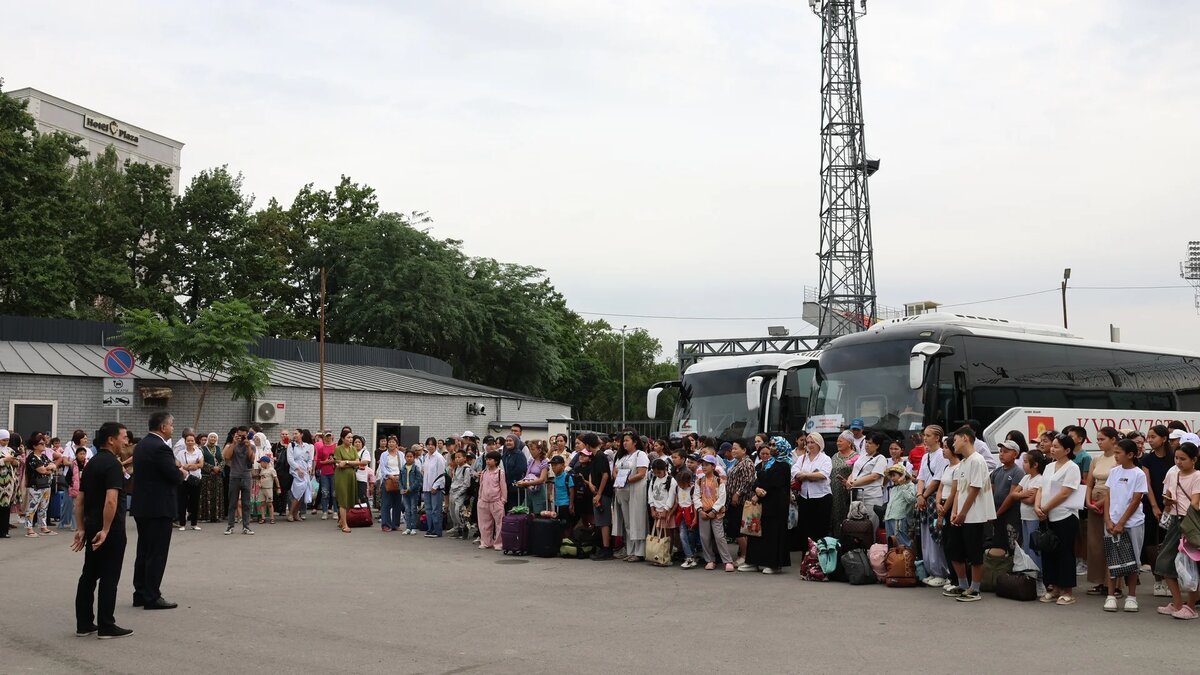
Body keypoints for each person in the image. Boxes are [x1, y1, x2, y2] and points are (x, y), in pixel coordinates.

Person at [73, 421, 134, 639]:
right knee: (109, 576)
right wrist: (107, 529)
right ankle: (107, 625)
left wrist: (81, 528)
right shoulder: (112, 465)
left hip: (91, 525)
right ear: (111, 439)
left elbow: (80, 500)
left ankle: (84, 623)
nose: (126, 441)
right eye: (124, 437)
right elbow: (111, 500)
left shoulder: (91, 464)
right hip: (110, 530)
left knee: (89, 574)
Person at [131, 412, 187, 610]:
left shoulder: (142, 445)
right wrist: (182, 473)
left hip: (143, 506)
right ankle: (152, 596)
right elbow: (172, 474)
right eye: (171, 425)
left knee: (144, 551)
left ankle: (140, 592)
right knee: (157, 553)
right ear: (163, 427)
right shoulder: (161, 447)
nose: (172, 428)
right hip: (159, 506)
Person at [942, 427, 996, 603]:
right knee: (953, 549)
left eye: (955, 439)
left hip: (974, 515)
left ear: (965, 438)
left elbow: (975, 489)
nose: (953, 443)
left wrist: (963, 513)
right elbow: (958, 491)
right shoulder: (963, 463)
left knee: (974, 553)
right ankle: (963, 584)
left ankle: (975, 589)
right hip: (960, 515)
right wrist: (955, 512)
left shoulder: (978, 460)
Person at [1035, 433, 1083, 606]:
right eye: (1052, 446)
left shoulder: (1072, 467)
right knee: (1049, 550)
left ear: (1067, 450)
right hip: (1047, 515)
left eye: (1056, 447)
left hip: (1065, 515)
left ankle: (1067, 590)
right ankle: (1053, 587)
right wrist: (1037, 506)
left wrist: (1046, 507)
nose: (1052, 449)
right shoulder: (1049, 466)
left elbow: (1065, 492)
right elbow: (1041, 488)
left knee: (1065, 552)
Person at [1155, 441, 1200, 619]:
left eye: (1183, 459)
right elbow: (1168, 497)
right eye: (1176, 458)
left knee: (1191, 566)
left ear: (1194, 459)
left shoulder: (1197, 476)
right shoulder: (1173, 474)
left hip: (1190, 523)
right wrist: (1167, 502)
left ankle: (1190, 607)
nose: (1179, 462)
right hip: (1175, 521)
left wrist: (1192, 505)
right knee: (1164, 563)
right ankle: (1178, 603)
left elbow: (1195, 501)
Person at [1103, 439, 1146, 612]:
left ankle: (1132, 596)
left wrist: (1122, 522)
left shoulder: (1138, 474)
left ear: (1130, 455)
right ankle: (1111, 595)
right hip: (1112, 522)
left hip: (1132, 522)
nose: (1116, 456)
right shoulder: (1113, 472)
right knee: (1113, 558)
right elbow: (1108, 496)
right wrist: (1108, 520)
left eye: (1119, 453)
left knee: (1133, 559)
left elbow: (1136, 500)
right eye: (1115, 453)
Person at [742, 436, 793, 574]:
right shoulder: (767, 463)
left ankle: (774, 564)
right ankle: (754, 561)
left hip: (776, 505)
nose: (771, 447)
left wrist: (759, 490)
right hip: (763, 503)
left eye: (774, 445)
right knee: (757, 532)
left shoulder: (784, 464)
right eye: (770, 444)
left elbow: (773, 482)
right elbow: (756, 479)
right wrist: (756, 488)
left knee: (773, 534)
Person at [1083, 426, 1122, 595]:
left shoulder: (1118, 459)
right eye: (1097, 439)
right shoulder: (1096, 459)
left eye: (1102, 439)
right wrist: (1088, 501)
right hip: (1093, 501)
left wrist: (1100, 503)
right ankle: (1099, 581)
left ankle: (1114, 584)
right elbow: (1089, 482)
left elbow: (1117, 486)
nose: (1098, 442)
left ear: (1113, 440)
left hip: (1111, 501)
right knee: (1095, 544)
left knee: (1112, 543)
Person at [916, 425, 950, 587]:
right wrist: (919, 495)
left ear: (937, 438)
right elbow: (921, 478)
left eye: (928, 435)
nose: (925, 438)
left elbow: (937, 480)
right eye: (924, 435)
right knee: (924, 534)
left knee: (935, 535)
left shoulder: (941, 456)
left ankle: (941, 571)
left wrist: (924, 495)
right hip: (924, 498)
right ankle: (930, 569)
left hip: (933, 498)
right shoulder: (925, 456)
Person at [1012, 450, 1048, 596]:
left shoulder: (1039, 479)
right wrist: (1023, 494)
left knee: (1035, 549)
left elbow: (1030, 500)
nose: (1023, 464)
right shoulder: (1026, 478)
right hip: (1024, 517)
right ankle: (1030, 578)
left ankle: (1040, 579)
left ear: (1036, 464)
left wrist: (1021, 495)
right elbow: (1013, 493)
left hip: (1033, 517)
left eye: (1026, 462)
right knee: (1026, 548)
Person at [1142, 424, 1173, 598]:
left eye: (1153, 436)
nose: (1150, 440)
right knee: (1152, 543)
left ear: (1164, 439)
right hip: (1151, 505)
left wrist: (1167, 505)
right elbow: (1147, 484)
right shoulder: (1147, 459)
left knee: (1169, 543)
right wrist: (1154, 506)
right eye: (1149, 436)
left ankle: (1170, 579)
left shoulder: (1173, 457)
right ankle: (1158, 580)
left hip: (1171, 505)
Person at [612, 432, 651, 562]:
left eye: (627, 440)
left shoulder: (640, 455)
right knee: (628, 522)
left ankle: (639, 552)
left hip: (636, 490)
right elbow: (615, 470)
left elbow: (641, 473)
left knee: (637, 520)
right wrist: (618, 477)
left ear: (634, 442)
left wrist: (627, 480)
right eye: (623, 441)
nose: (624, 443)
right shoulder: (622, 456)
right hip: (622, 491)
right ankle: (630, 550)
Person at [792, 433, 833, 552]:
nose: (809, 445)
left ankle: (820, 556)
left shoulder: (826, 458)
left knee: (820, 528)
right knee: (805, 528)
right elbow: (795, 471)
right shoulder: (802, 458)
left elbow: (823, 475)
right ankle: (807, 557)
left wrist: (805, 475)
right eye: (808, 442)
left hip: (822, 497)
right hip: (805, 497)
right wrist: (809, 476)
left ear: (819, 443)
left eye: (812, 442)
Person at [843, 432, 888, 529]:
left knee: (870, 524)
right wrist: (849, 481)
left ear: (877, 445)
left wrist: (854, 483)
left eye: (870, 443)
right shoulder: (862, 457)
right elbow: (854, 472)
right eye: (866, 442)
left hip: (870, 496)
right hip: (856, 495)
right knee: (856, 525)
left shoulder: (881, 458)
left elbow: (874, 476)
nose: (867, 445)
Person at [582, 434, 615, 560]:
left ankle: (607, 548)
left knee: (604, 520)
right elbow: (592, 472)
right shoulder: (594, 457)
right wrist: (590, 484)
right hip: (596, 492)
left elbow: (605, 475)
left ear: (589, 445)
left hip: (604, 493)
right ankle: (603, 547)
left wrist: (599, 493)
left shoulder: (600, 456)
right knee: (600, 521)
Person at [726, 439, 757, 566]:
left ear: (744, 450)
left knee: (739, 530)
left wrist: (737, 494)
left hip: (741, 501)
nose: (733, 451)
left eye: (735, 448)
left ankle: (745, 555)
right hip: (733, 502)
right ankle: (744, 554)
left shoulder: (747, 463)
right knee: (736, 529)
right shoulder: (738, 462)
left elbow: (748, 481)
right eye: (732, 449)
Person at [991, 439, 1024, 552]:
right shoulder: (996, 472)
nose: (1001, 454)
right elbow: (991, 492)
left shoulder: (1017, 472)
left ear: (1015, 454)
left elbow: (1011, 496)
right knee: (998, 543)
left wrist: (998, 512)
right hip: (996, 512)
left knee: (1012, 543)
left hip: (1011, 513)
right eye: (1000, 451)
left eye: (1005, 451)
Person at [223, 428, 257, 536]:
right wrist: (234, 443)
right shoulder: (232, 445)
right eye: (240, 435)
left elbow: (252, 460)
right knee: (232, 502)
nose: (242, 438)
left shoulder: (251, 446)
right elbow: (227, 457)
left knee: (246, 503)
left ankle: (246, 527)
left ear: (247, 435)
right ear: (236, 435)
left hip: (246, 476)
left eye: (244, 436)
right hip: (234, 476)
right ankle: (230, 526)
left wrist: (247, 446)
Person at [23, 436, 57, 537]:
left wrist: (48, 468)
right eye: (41, 444)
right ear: (34, 446)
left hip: (46, 485)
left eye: (44, 444)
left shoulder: (43, 456)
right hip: (35, 486)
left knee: (44, 507)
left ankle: (43, 526)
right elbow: (41, 470)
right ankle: (29, 529)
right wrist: (48, 468)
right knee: (32, 507)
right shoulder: (32, 457)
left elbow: (53, 465)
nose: (44, 445)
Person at [830, 430, 859, 535]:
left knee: (844, 516)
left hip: (847, 493)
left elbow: (857, 475)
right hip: (833, 492)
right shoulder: (834, 456)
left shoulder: (856, 457)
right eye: (837, 441)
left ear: (849, 443)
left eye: (841, 441)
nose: (838, 443)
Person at [333, 431, 362, 534]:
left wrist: (347, 462)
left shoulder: (353, 449)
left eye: (351, 437)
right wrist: (351, 463)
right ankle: (345, 524)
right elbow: (339, 464)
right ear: (342, 438)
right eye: (348, 437)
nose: (350, 439)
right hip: (341, 476)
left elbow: (358, 462)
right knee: (343, 500)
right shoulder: (338, 449)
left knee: (350, 499)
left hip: (351, 475)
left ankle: (341, 520)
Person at [477, 450, 506, 550]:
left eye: (490, 459)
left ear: (496, 461)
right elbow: (481, 486)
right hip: (484, 501)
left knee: (500, 524)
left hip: (496, 501)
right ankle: (486, 542)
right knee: (484, 524)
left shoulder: (499, 473)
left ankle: (499, 543)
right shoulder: (484, 472)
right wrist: (480, 499)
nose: (488, 461)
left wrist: (503, 500)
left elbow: (503, 487)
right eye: (487, 459)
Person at [175, 432, 203, 532]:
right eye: (188, 441)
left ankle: (194, 523)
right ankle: (182, 523)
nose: (190, 442)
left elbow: (201, 464)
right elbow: (178, 465)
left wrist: (189, 466)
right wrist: (192, 465)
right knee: (182, 502)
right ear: (185, 442)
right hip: (184, 479)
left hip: (195, 479)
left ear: (195, 441)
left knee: (195, 502)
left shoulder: (198, 451)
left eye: (192, 440)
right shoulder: (180, 453)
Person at [420, 436, 447, 538]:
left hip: (436, 488)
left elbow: (441, 474)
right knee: (428, 509)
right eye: (428, 444)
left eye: (432, 445)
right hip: (426, 487)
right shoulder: (426, 456)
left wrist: (435, 486)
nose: (430, 446)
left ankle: (437, 530)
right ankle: (430, 529)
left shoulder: (439, 458)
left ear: (436, 446)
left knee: (436, 510)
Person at [883, 464, 915, 546]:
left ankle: (906, 557)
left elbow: (911, 499)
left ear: (902, 475)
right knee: (891, 542)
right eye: (891, 476)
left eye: (894, 475)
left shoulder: (909, 486)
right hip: (889, 517)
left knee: (902, 541)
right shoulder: (894, 488)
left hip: (899, 517)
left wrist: (902, 485)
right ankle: (894, 558)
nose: (892, 478)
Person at [376, 439, 404, 532]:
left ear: (397, 444)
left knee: (397, 503)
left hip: (398, 479)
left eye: (393, 442)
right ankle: (386, 524)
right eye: (390, 442)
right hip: (388, 479)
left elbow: (403, 467)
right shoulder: (384, 455)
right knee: (386, 503)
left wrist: (400, 476)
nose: (391, 444)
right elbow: (383, 468)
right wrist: (390, 476)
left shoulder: (400, 454)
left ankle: (395, 524)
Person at [287, 430, 314, 522]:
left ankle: (296, 513)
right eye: (293, 434)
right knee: (298, 491)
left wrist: (310, 467)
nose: (294, 435)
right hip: (296, 471)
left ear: (301, 435)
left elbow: (310, 459)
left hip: (305, 471)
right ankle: (291, 513)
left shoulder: (307, 446)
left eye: (296, 434)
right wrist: (298, 469)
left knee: (302, 493)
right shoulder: (292, 445)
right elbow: (290, 460)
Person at [517, 440, 550, 514]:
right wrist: (522, 481)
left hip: (539, 492)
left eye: (533, 449)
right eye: (530, 449)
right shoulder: (531, 461)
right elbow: (527, 476)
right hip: (529, 492)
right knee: (524, 513)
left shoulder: (544, 462)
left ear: (539, 450)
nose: (531, 451)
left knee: (538, 515)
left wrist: (525, 484)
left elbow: (542, 479)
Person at [198, 433, 224, 523]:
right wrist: (212, 468)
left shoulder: (218, 448)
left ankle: (216, 516)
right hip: (207, 477)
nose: (213, 439)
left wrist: (219, 468)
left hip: (217, 477)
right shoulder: (202, 449)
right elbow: (201, 462)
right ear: (208, 439)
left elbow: (222, 460)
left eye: (214, 437)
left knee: (217, 496)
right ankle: (206, 516)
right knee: (207, 496)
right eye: (211, 437)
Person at [60, 446, 87, 531]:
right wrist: (71, 484)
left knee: (84, 507)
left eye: (84, 454)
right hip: (75, 489)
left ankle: (83, 525)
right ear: (77, 455)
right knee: (75, 508)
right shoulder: (73, 465)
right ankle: (74, 525)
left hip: (85, 488)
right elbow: (68, 477)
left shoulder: (88, 464)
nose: (82, 455)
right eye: (80, 454)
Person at [449, 450, 473, 539]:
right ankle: (457, 529)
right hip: (452, 491)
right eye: (456, 457)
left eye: (459, 457)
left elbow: (466, 484)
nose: (457, 459)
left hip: (460, 493)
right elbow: (454, 480)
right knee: (452, 512)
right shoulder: (456, 468)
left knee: (457, 510)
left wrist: (459, 493)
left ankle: (464, 527)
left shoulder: (466, 469)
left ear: (464, 458)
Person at [398, 448, 422, 535]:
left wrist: (410, 489)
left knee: (413, 509)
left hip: (413, 492)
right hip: (404, 492)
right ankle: (408, 527)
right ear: (405, 457)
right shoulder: (403, 468)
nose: (409, 458)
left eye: (411, 456)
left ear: (414, 457)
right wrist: (401, 488)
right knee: (407, 509)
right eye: (407, 456)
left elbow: (418, 480)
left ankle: (413, 527)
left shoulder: (416, 468)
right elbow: (400, 480)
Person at [500, 435, 527, 512]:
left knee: (514, 508)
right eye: (507, 441)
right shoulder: (505, 454)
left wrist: (508, 477)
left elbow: (520, 469)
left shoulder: (519, 454)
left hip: (516, 487)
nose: (508, 442)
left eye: (510, 441)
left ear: (515, 442)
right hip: (505, 486)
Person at [314, 432, 337, 520]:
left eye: (329, 436)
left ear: (332, 437)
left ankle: (335, 511)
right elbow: (319, 461)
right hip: (324, 473)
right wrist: (325, 462)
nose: (328, 438)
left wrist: (333, 461)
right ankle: (324, 511)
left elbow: (338, 459)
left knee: (334, 493)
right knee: (324, 492)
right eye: (326, 436)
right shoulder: (321, 448)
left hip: (334, 472)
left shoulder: (336, 447)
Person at [0, 429, 18, 538]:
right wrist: (4, 460)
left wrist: (14, 461)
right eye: (3, 440)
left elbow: (16, 463)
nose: (5, 442)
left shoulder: (10, 450)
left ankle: (4, 530)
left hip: (8, 482)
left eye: (7, 440)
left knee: (6, 506)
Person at [549, 455, 575, 527]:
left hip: (565, 504)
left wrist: (571, 505)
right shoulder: (554, 478)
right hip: (556, 505)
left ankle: (567, 538)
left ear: (563, 465)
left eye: (556, 465)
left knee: (566, 524)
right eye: (552, 465)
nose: (553, 467)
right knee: (558, 525)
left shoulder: (567, 477)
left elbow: (571, 491)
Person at [255, 456, 279, 524]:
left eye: (261, 463)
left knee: (270, 503)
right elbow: (261, 478)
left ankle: (272, 518)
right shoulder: (262, 470)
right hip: (262, 489)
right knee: (262, 503)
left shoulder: (272, 470)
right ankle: (263, 517)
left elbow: (276, 479)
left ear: (265, 462)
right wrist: (259, 483)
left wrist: (278, 487)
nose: (260, 464)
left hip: (268, 489)